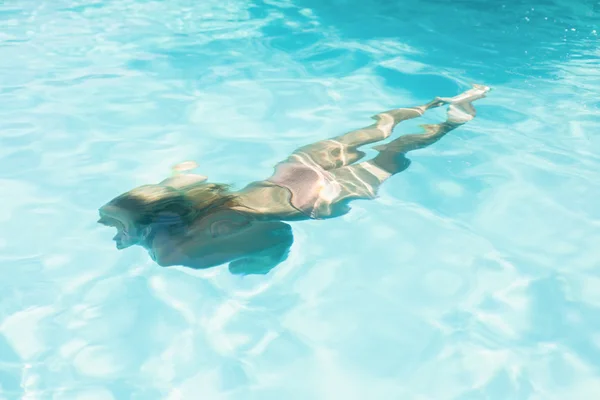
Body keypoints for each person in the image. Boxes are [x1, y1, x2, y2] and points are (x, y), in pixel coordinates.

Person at [98, 84, 490, 275]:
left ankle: (457, 117)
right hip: (293, 171)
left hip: (317, 198)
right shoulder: (192, 203)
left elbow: (280, 235)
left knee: (394, 153)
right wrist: (177, 172)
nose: (113, 236)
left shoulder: (181, 250)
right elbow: (186, 176)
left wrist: (260, 263)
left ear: (157, 222)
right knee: (375, 130)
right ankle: (439, 101)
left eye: (117, 227)